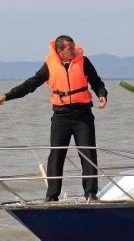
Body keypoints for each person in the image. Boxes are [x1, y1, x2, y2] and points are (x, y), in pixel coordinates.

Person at [0, 35, 108, 201]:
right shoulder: (49, 65)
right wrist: (6, 96)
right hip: (61, 116)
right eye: (70, 48)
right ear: (60, 51)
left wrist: (102, 94)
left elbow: (97, 82)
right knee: (56, 156)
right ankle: (52, 196)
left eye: (74, 47)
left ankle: (91, 193)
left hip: (83, 115)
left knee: (88, 154)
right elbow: (30, 85)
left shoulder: (84, 61)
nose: (74, 50)